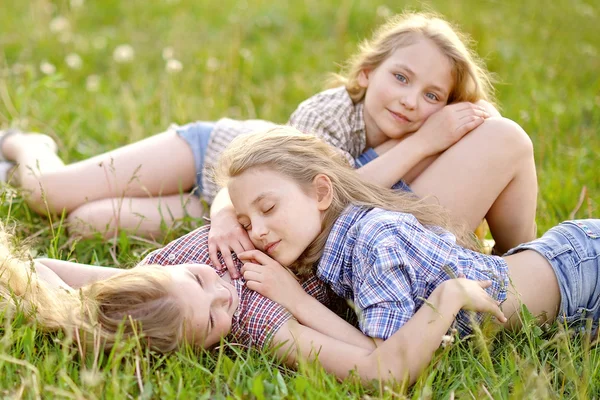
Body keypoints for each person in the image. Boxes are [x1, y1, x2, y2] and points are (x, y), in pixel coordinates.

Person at [0, 12, 536, 270]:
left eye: (433, 95)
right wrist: (423, 143)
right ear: (369, 72)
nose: (411, 101)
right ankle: (28, 145)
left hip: (245, 216)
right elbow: (331, 193)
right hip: (215, 156)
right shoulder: (326, 114)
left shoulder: (428, 139)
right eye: (401, 77)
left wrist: (224, 219)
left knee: (86, 222)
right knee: (49, 195)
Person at [213, 127, 600, 359]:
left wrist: (294, 301)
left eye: (268, 208)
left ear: (320, 193)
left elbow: (387, 356)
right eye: (246, 222)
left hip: (581, 272)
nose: (258, 231)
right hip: (564, 285)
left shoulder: (373, 241)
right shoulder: (337, 247)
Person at [0, 222, 504, 384]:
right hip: (399, 243)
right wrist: (449, 297)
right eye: (214, 317)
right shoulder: (257, 317)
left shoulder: (170, 263)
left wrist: (64, 311)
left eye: (198, 279)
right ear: (203, 346)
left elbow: (43, 270)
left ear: (152, 268)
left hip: (325, 184)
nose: (223, 289)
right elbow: (380, 370)